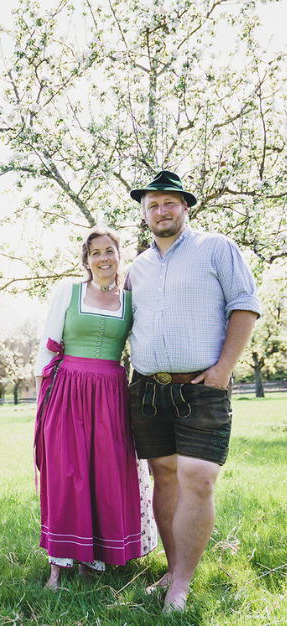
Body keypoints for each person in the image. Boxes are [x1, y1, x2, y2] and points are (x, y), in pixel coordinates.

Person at [125, 171, 261, 612]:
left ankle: (180, 586)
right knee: (162, 476)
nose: (160, 211)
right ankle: (171, 569)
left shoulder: (217, 249)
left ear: (185, 206)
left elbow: (245, 303)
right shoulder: (136, 268)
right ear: (144, 214)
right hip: (148, 391)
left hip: (202, 387)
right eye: (152, 204)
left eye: (169, 202)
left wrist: (224, 369)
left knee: (198, 479)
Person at [34, 226, 157, 590]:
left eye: (109, 251)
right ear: (86, 261)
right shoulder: (69, 293)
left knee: (105, 472)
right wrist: (41, 406)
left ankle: (93, 559)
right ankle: (58, 564)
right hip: (67, 391)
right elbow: (46, 347)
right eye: (95, 253)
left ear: (120, 256)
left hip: (110, 394)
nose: (103, 258)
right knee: (66, 474)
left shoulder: (132, 301)